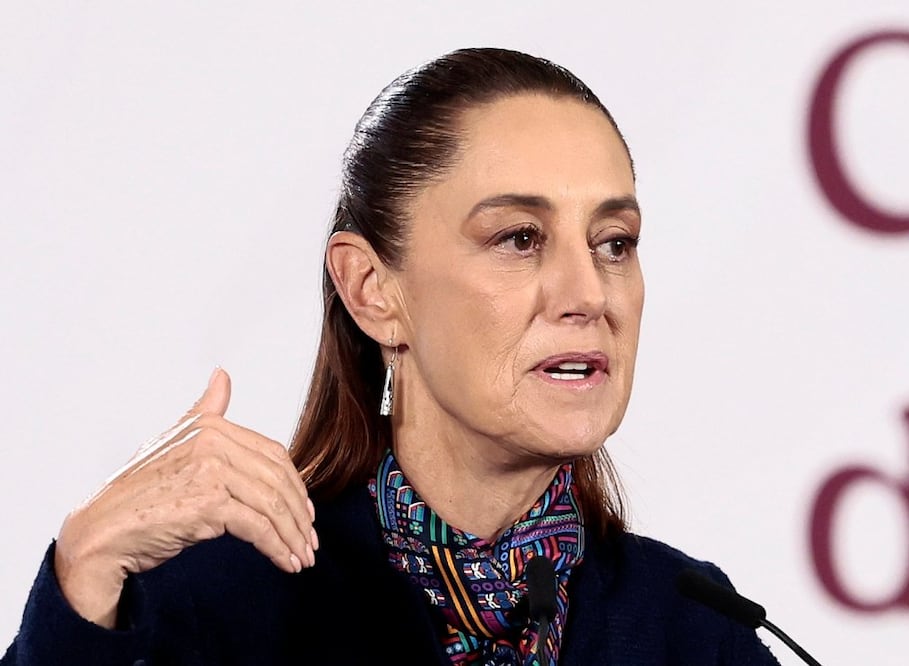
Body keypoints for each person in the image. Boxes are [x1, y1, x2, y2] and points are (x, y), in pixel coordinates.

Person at [1, 47, 781, 665]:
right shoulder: (215, 606)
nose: (588, 293)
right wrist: (83, 574)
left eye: (614, 243)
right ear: (372, 289)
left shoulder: (692, 627)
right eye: (519, 238)